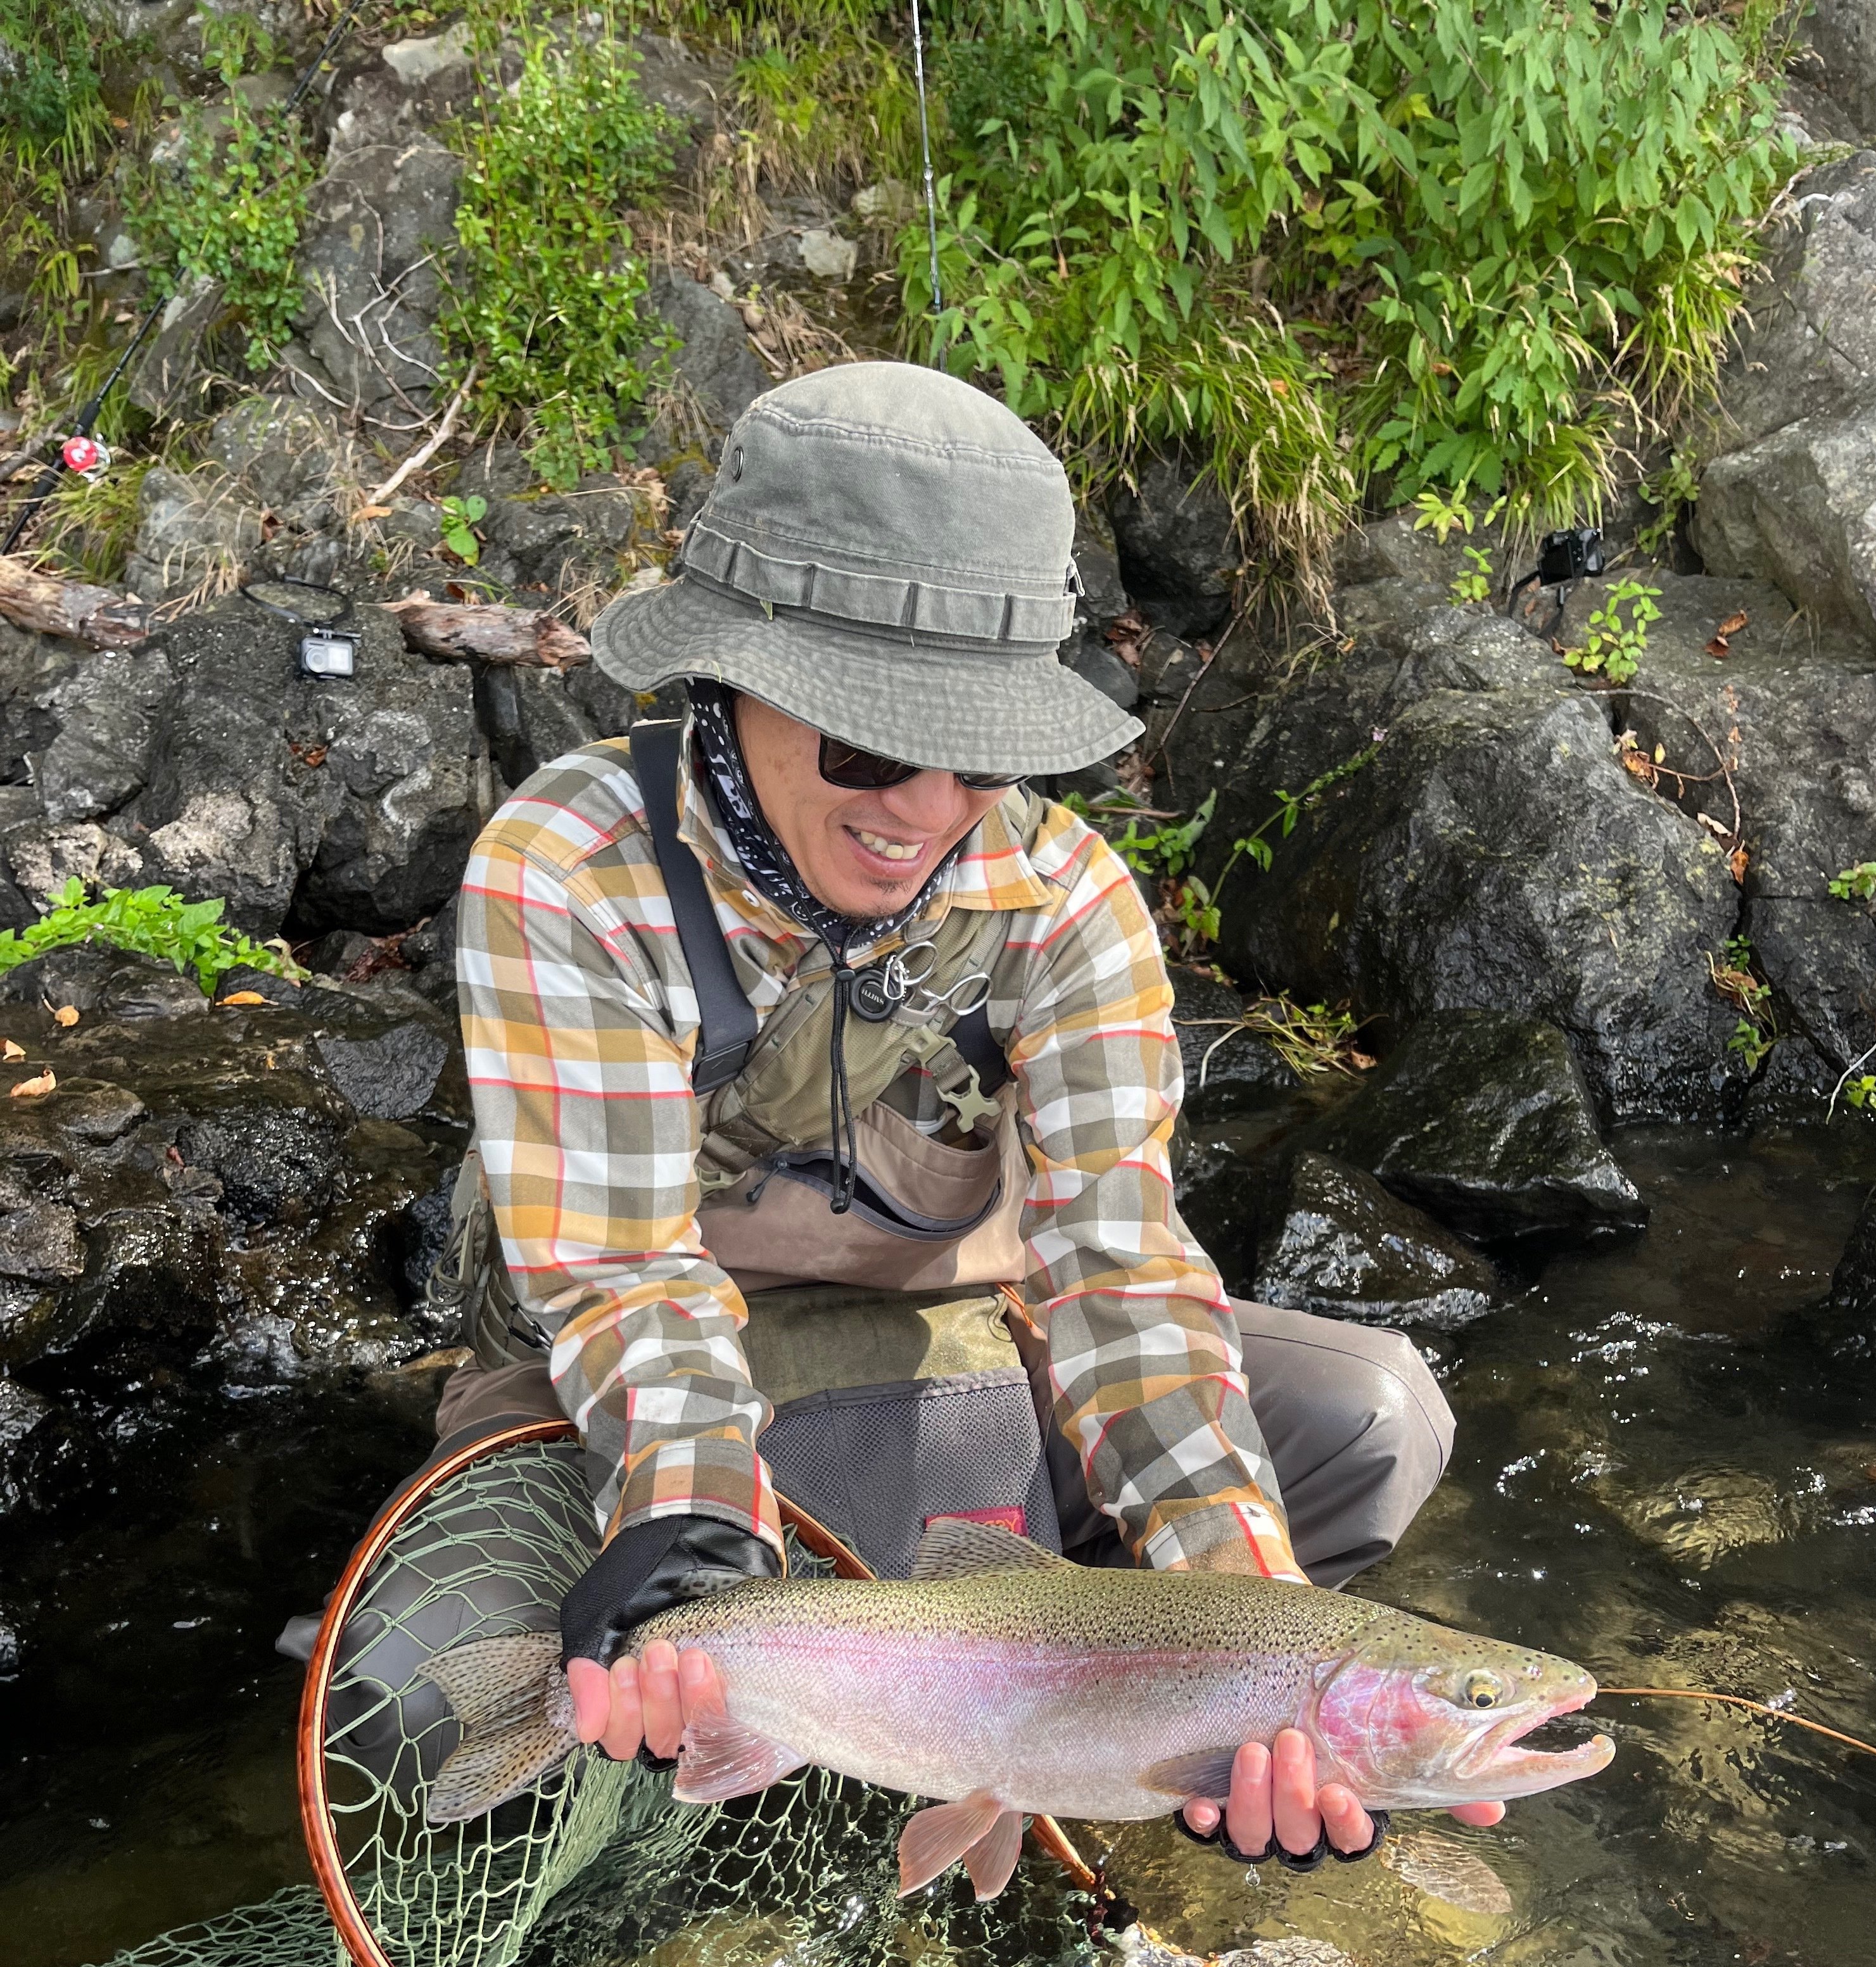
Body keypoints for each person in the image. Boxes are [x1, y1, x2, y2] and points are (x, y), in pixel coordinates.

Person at [452, 360, 1502, 1865]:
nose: (929, 812)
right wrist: (689, 1543)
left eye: (983, 752)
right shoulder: (570, 867)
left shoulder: (1067, 898)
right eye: (872, 744)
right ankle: (841, 1714)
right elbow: (622, 1279)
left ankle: (1040, 1714)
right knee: (422, 1698)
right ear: (728, 682)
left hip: (954, 1354)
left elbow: (1121, 1276)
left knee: (1372, 1420)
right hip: (613, 1392)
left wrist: (1253, 1663)